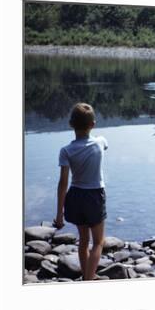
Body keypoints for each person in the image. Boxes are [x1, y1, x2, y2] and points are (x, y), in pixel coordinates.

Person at [53, 103, 108, 280]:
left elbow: (62, 183)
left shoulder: (66, 151)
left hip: (75, 196)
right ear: (93, 124)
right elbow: (104, 143)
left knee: (83, 240)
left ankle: (86, 276)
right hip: (94, 195)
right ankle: (88, 281)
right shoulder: (100, 142)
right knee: (98, 242)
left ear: (70, 124)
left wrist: (59, 213)